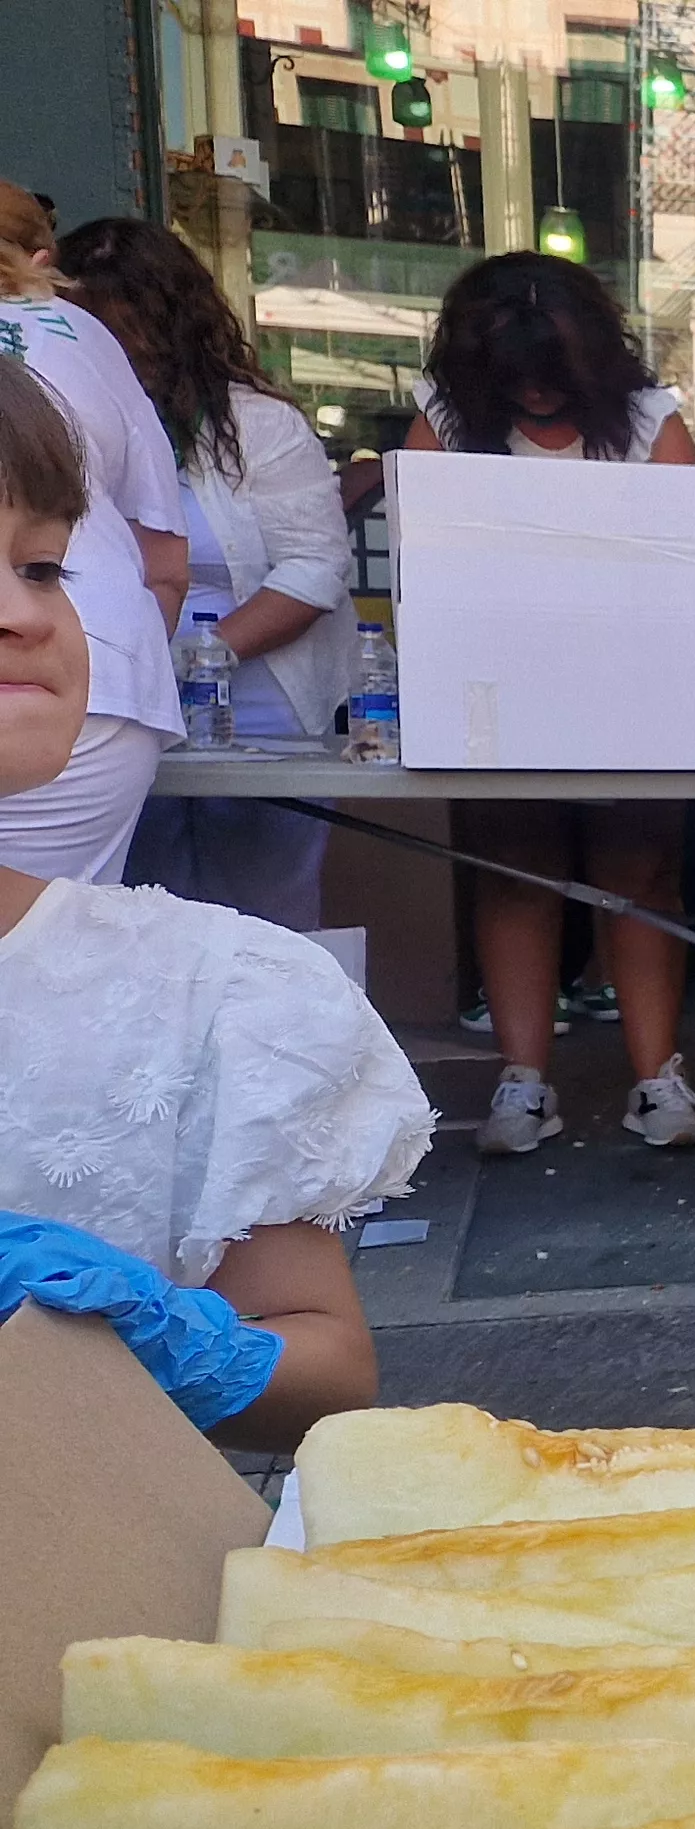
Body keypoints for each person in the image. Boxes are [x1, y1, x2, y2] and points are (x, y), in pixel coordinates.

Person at [0, 353, 408, 1449]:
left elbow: (327, 1365)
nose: (20, 614)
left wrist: (177, 1336)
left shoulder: (208, 990)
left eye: (41, 566)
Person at [403, 251, 695, 1159]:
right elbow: (423, 555)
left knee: (642, 874)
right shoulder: (448, 421)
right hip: (496, 684)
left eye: (552, 381)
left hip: (636, 683)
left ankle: (659, 1081)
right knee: (514, 869)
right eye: (517, 383)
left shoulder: (653, 420)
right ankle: (524, 1081)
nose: (536, 398)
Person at [62, 217, 354, 927]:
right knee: (138, 915)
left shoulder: (260, 426)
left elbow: (315, 568)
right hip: (111, 704)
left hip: (262, 707)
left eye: (134, 334)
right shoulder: (60, 421)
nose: (124, 356)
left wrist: (202, 655)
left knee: (263, 922)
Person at [0, 181, 185, 887]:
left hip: (83, 680)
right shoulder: (82, 336)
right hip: (94, 684)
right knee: (54, 949)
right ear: (41, 255)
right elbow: (165, 562)